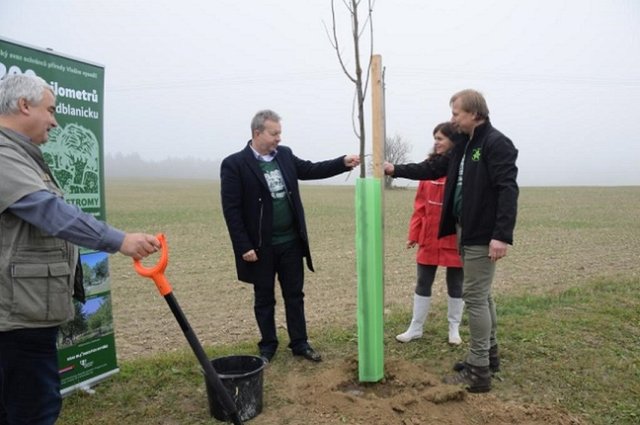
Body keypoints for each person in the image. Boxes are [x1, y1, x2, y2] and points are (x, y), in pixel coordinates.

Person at [0, 74, 161, 425]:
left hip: (24, 312)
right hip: (16, 320)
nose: (55, 121)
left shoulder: (20, 154)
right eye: (51, 110)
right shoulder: (3, 155)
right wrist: (121, 240)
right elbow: (51, 213)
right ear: (24, 105)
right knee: (33, 412)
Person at [384, 89, 518, 393]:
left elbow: (507, 190)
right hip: (464, 230)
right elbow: (432, 168)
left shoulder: (496, 144)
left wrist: (501, 235)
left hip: (483, 235)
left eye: (456, 113)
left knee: (474, 296)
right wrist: (396, 169)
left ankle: (478, 369)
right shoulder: (463, 145)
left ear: (475, 113)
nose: (452, 118)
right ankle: (490, 355)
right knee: (482, 296)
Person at [220, 109, 359, 364]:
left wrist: (342, 162)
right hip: (260, 248)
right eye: (274, 133)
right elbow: (231, 210)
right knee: (264, 298)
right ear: (257, 133)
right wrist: (244, 246)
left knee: (295, 295)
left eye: (280, 133)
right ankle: (268, 346)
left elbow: (310, 169)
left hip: (291, 243)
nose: (278, 138)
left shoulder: (284, 156)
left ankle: (300, 343)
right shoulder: (235, 165)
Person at [395, 122, 464, 346]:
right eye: (435, 137)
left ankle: (454, 328)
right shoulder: (429, 169)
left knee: (456, 284)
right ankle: (415, 327)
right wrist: (413, 234)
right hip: (429, 237)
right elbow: (420, 206)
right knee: (423, 281)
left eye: (441, 138)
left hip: (454, 237)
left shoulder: (461, 168)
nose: (436, 142)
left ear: (453, 141)